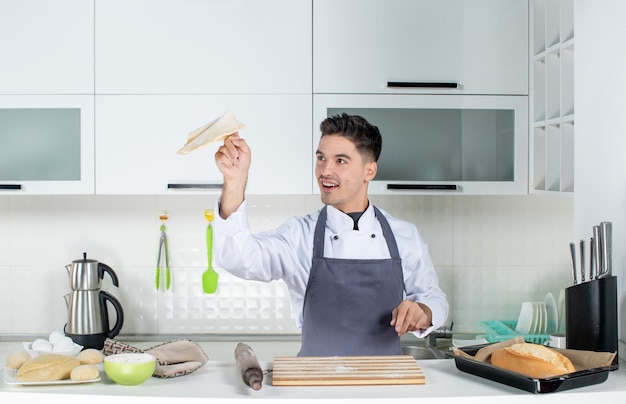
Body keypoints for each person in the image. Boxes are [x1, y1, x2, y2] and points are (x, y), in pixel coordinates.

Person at [213, 113, 448, 356]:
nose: (325, 170)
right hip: (315, 383)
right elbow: (239, 258)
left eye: (341, 161)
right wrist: (235, 180)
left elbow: (433, 296)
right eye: (321, 158)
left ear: (369, 171)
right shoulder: (299, 234)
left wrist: (423, 310)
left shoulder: (404, 235)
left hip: (383, 383)